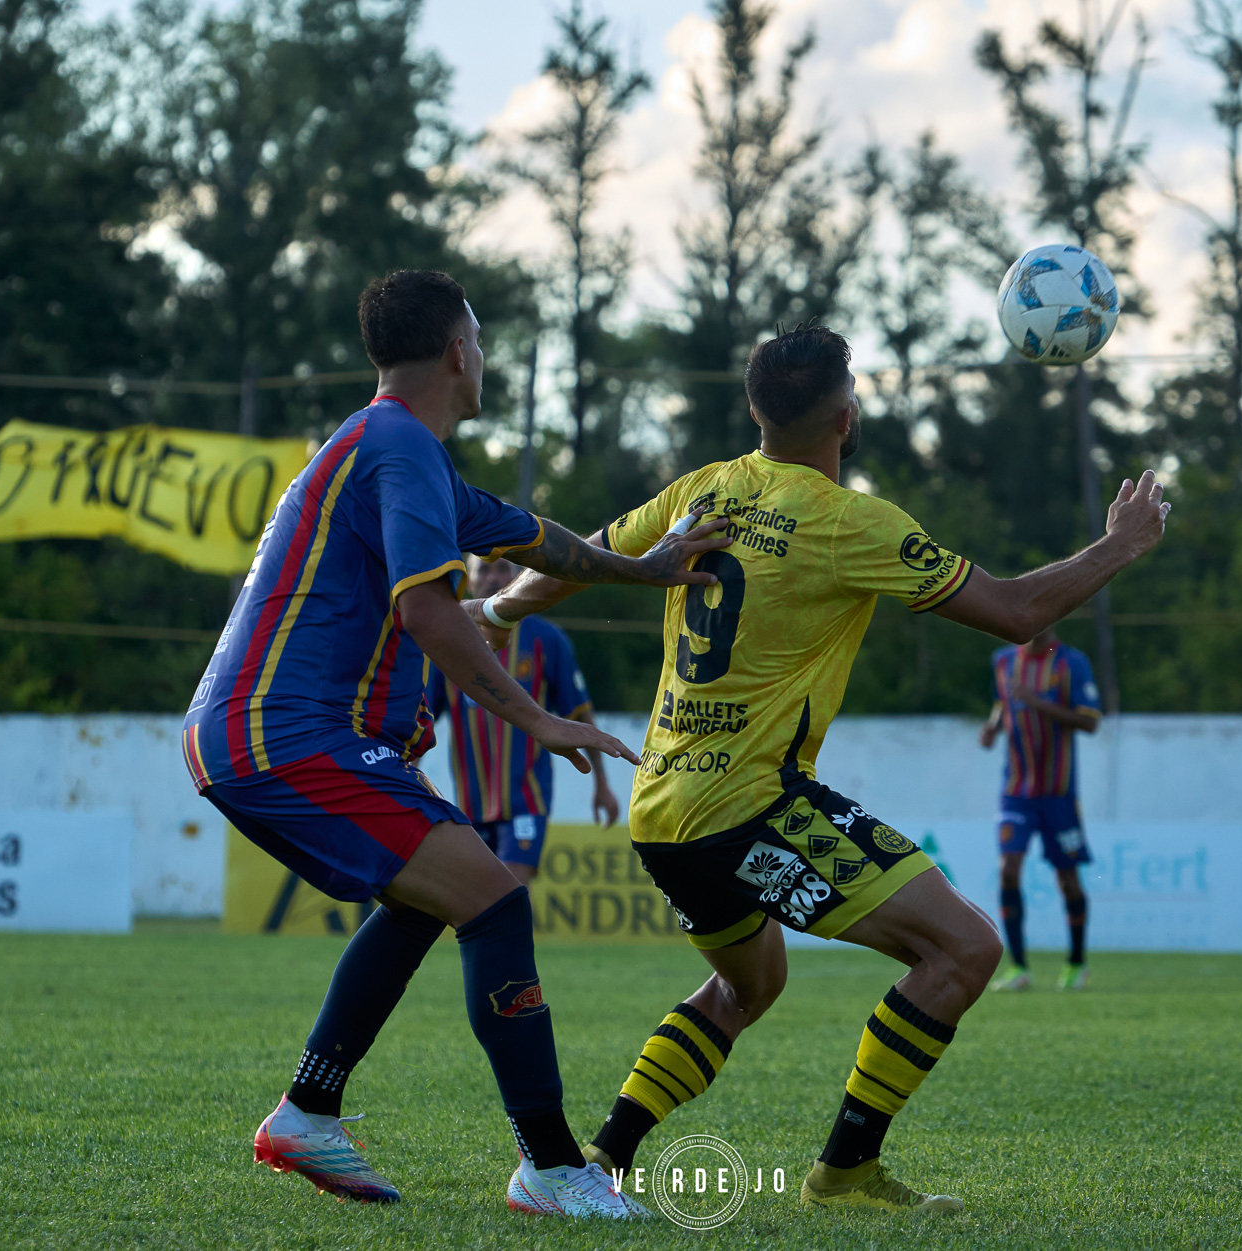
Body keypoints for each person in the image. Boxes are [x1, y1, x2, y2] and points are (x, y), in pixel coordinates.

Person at [472, 324, 1168, 1214]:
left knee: (750, 984)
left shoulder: (703, 487)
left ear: (755, 409)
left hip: (663, 806)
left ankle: (598, 1158)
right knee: (964, 948)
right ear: (846, 416)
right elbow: (1016, 610)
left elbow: (581, 557)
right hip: (748, 805)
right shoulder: (852, 523)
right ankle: (843, 1173)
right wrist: (1121, 543)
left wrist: (498, 609)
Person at [180, 269, 727, 1216]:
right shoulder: (399, 446)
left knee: (430, 898)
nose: (484, 357)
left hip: (254, 733)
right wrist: (536, 718)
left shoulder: (395, 449)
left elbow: (540, 542)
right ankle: (551, 1166)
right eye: (481, 340)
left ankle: (309, 1109)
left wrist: (648, 568)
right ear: (457, 352)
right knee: (495, 900)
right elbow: (429, 612)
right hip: (286, 734)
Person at [427, 557, 620, 886]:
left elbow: (578, 713)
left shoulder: (547, 639)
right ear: (469, 581)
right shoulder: (447, 643)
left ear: (519, 577)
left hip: (526, 800)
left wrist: (601, 783)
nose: (493, 577)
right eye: (484, 569)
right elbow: (421, 719)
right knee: (480, 903)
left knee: (509, 889)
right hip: (469, 805)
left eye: (503, 568)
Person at [979, 627, 1102, 992]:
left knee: (1068, 879)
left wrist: (1038, 703)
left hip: (1058, 793)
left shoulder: (1071, 663)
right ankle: (1018, 967)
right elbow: (1003, 702)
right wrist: (992, 728)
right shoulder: (1003, 660)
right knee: (1008, 870)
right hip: (1016, 792)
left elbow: (1090, 721)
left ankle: (1076, 963)